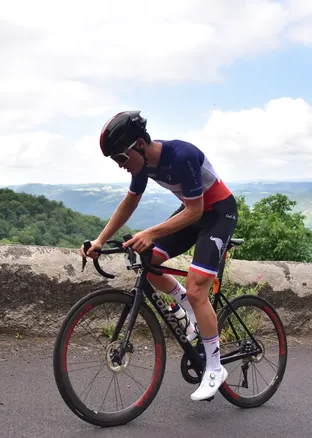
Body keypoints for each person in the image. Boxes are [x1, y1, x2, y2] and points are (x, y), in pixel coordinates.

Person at [80, 110, 239, 401]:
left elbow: (197, 211)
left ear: (139, 144)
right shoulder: (141, 166)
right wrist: (100, 240)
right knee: (148, 262)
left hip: (218, 214)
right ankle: (187, 311)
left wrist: (150, 233)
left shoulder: (181, 156)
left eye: (121, 158)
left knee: (196, 288)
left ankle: (215, 368)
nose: (120, 166)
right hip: (194, 213)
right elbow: (130, 202)